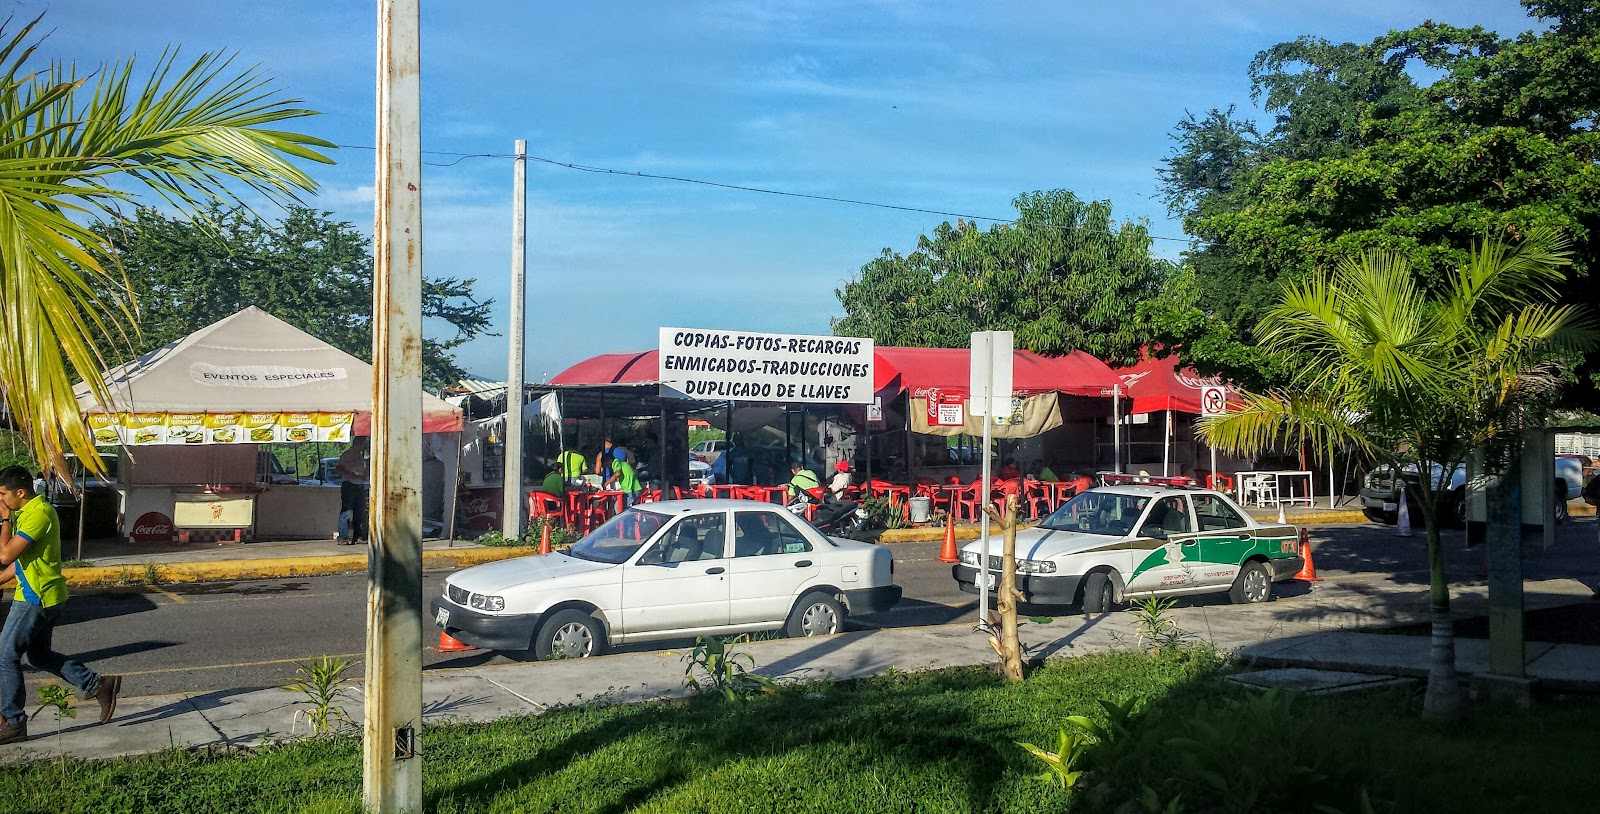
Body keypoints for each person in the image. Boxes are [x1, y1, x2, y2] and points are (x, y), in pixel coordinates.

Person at [0, 465, 120, 744]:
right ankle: (98, 685)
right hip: (46, 594)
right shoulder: (27, 513)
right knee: (39, 656)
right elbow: (23, 561)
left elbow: (5, 555)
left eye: (3, 494)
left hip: (36, 597)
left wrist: (4, 520)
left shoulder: (38, 514)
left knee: (5, 656)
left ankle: (13, 722)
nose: (1, 500)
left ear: (20, 492)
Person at [334, 436, 370, 545]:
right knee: (346, 511)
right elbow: (338, 468)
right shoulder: (347, 455)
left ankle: (358, 536)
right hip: (349, 484)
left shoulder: (360, 456)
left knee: (360, 512)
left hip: (359, 484)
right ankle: (342, 537)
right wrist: (351, 474)